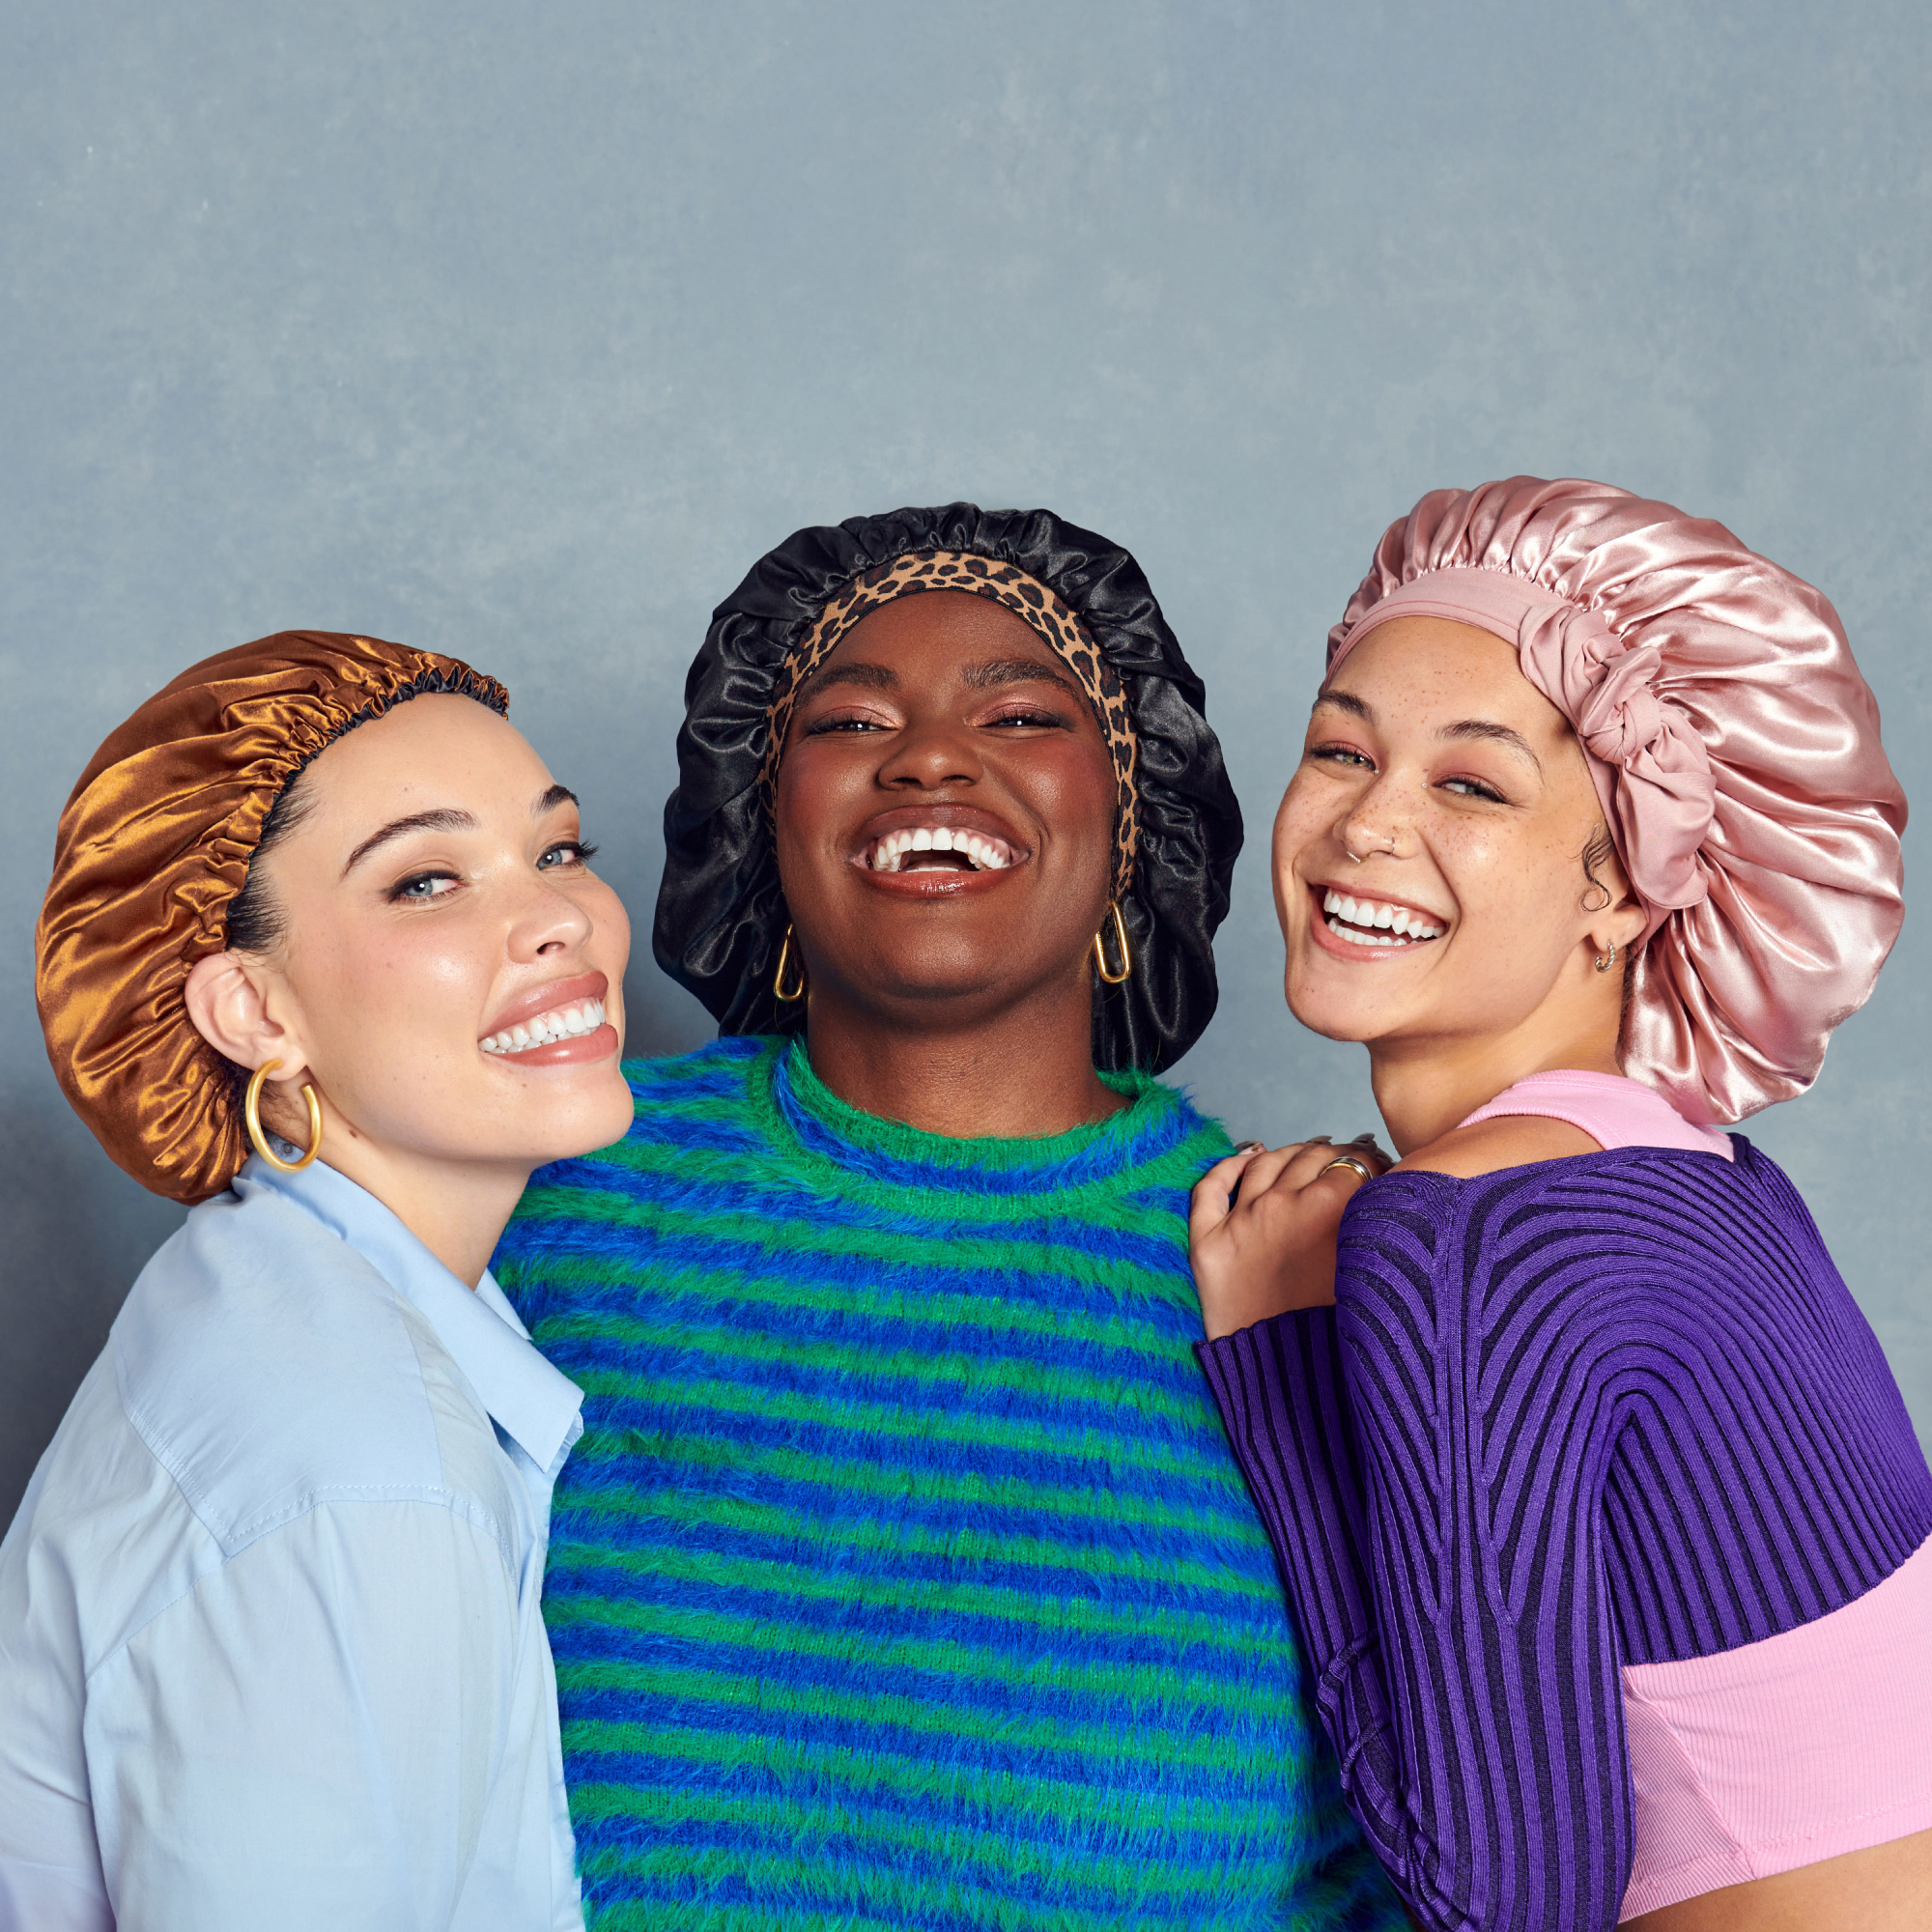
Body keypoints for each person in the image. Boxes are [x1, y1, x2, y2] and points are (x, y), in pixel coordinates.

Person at [496, 506, 1408, 1928]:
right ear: (759, 822)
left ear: (1133, 821)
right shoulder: (554, 1192)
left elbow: (1449, 1824)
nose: (927, 754)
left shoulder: (1293, 1270)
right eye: (850, 720)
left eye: (1024, 713)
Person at [1189, 477, 1932, 1930]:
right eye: (1340, 751)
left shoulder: (1464, 1238)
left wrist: (1281, 1362)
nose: (1366, 827)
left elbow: (1502, 1900)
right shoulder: (1708, 1170)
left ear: (1630, 889)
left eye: (1472, 784)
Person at [0, 632, 635, 1930]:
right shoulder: (361, 1469)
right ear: (251, 1012)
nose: (560, 918)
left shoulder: (277, 1294)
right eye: (427, 881)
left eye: (557, 850)